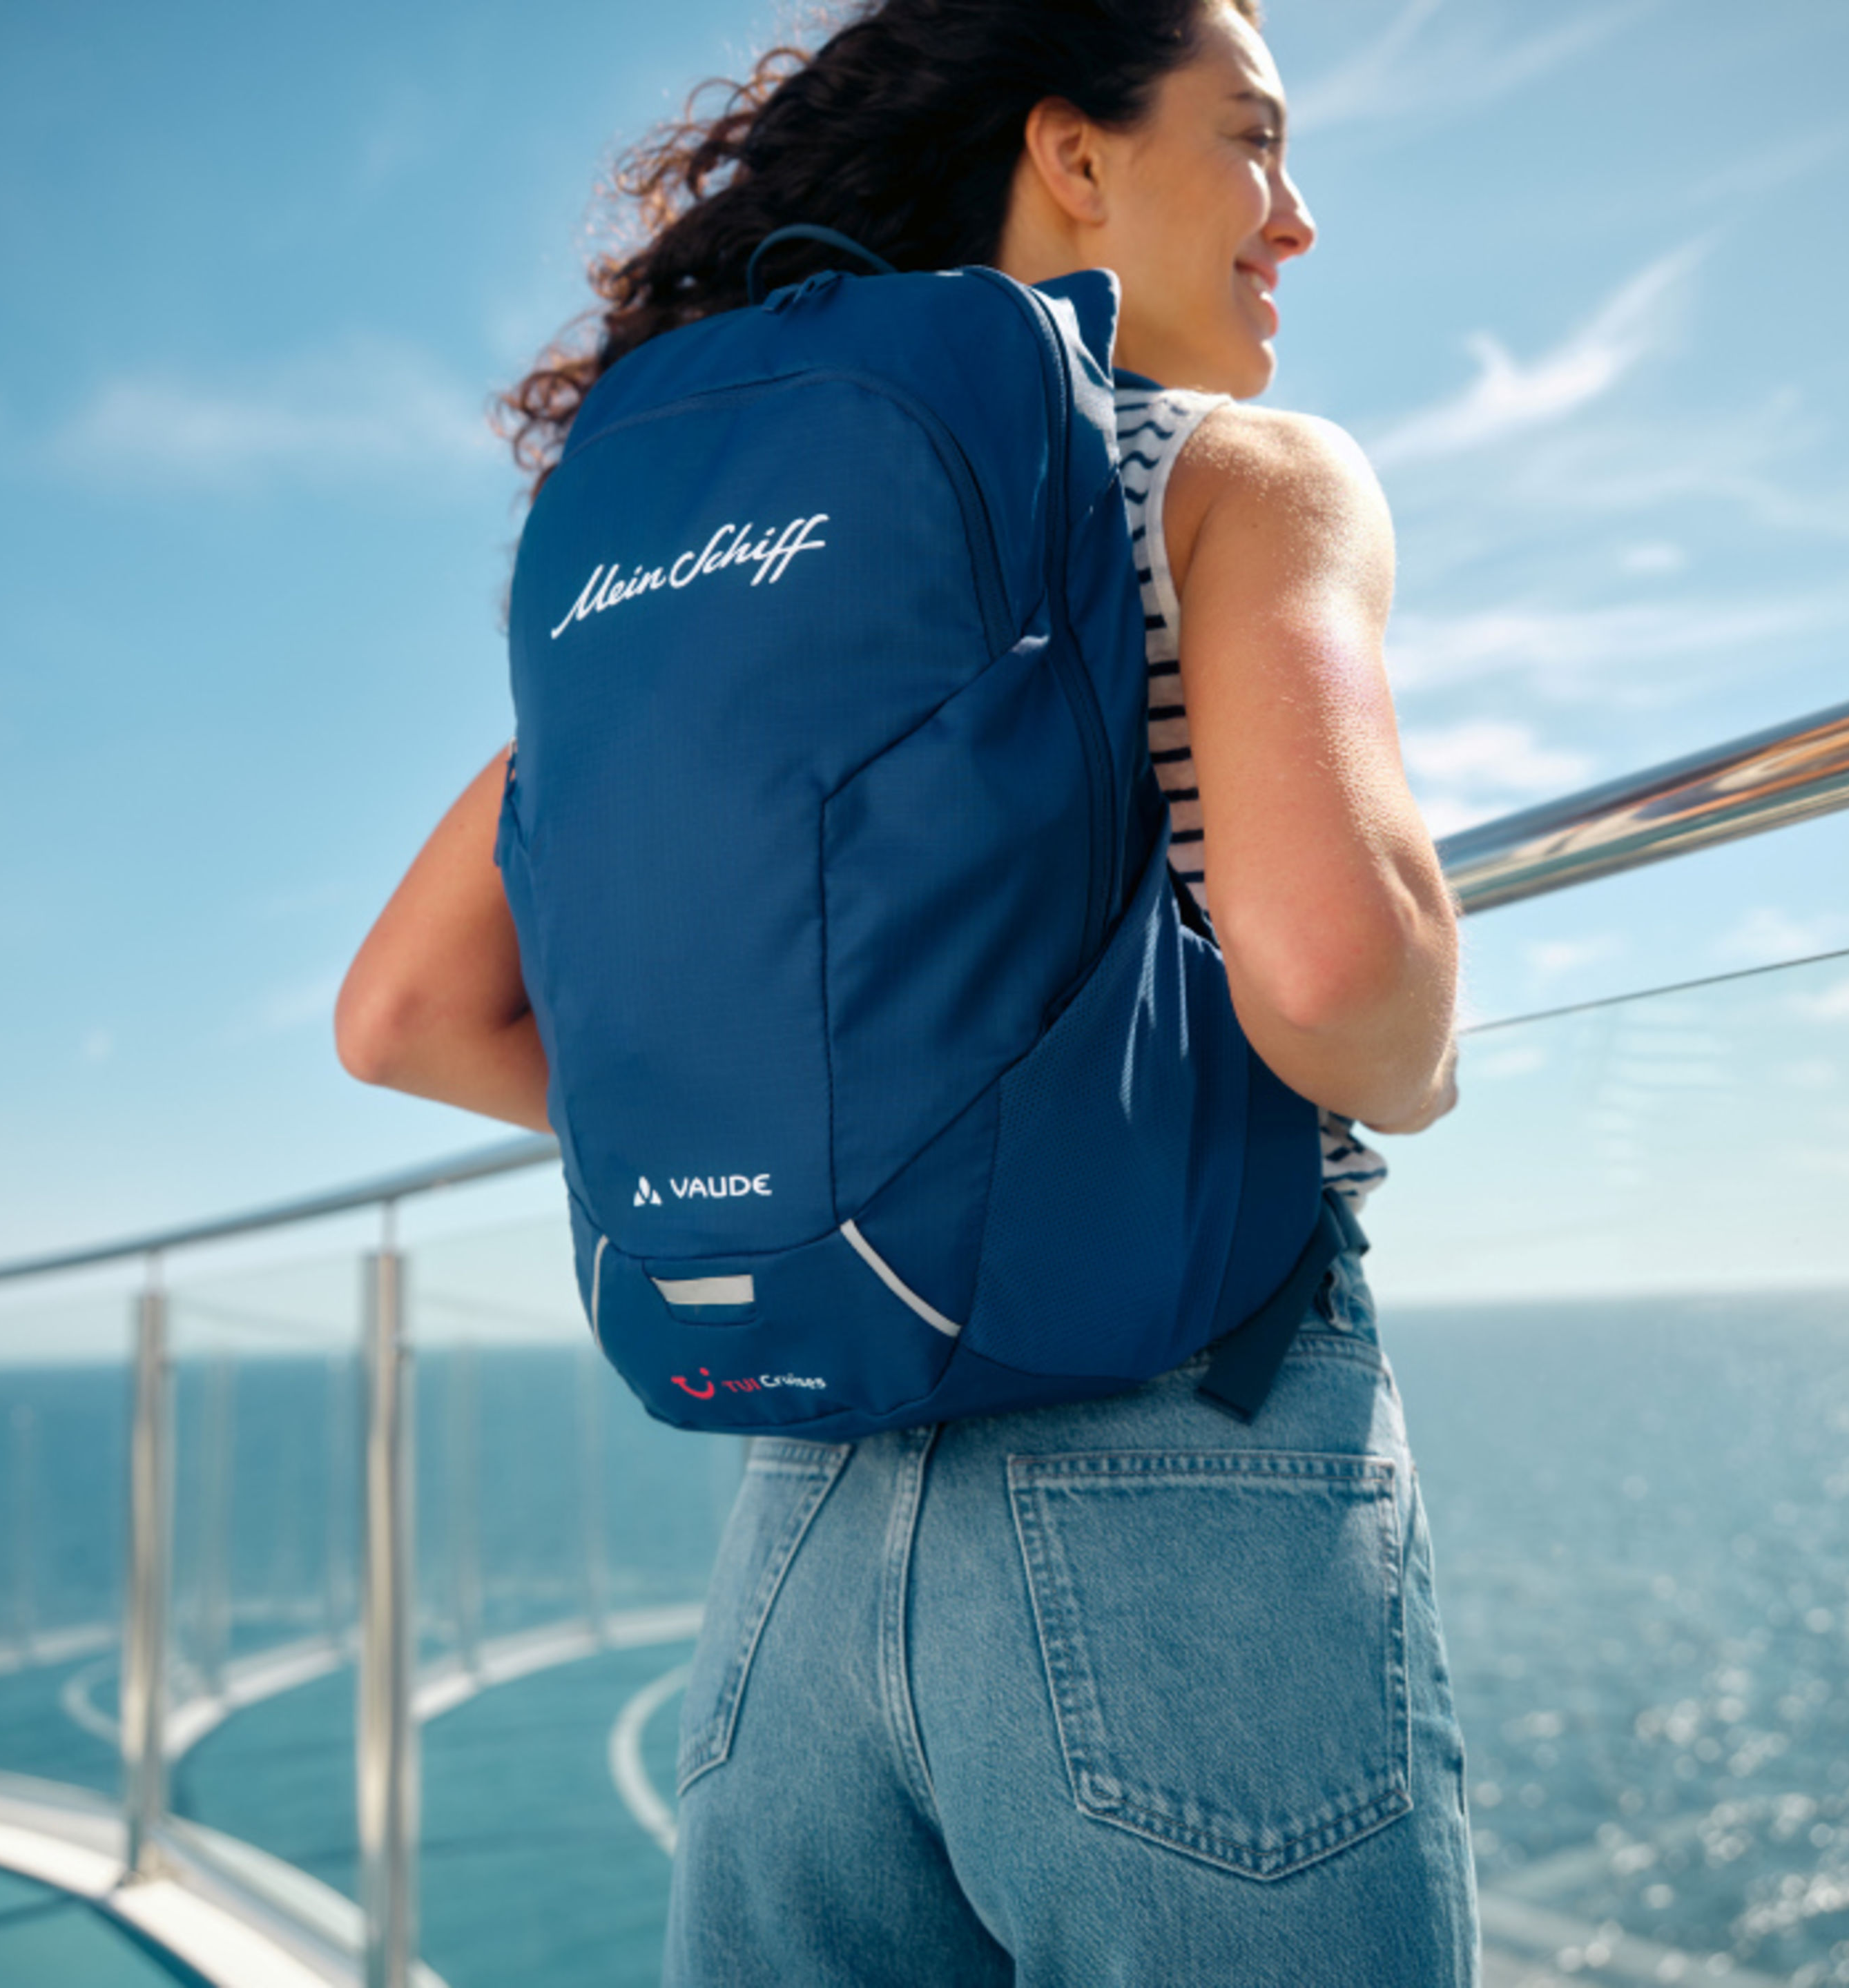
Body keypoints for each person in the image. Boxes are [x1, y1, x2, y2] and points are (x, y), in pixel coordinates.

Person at [334, 1, 1475, 1979]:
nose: (1295, 217)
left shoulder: (732, 554)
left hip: (811, 1489)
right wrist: (1421, 1066)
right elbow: (1334, 973)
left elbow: (405, 1016)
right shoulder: (1242, 478)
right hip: (1184, 1458)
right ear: (1077, 155)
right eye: (1258, 138)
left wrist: (856, 1138)